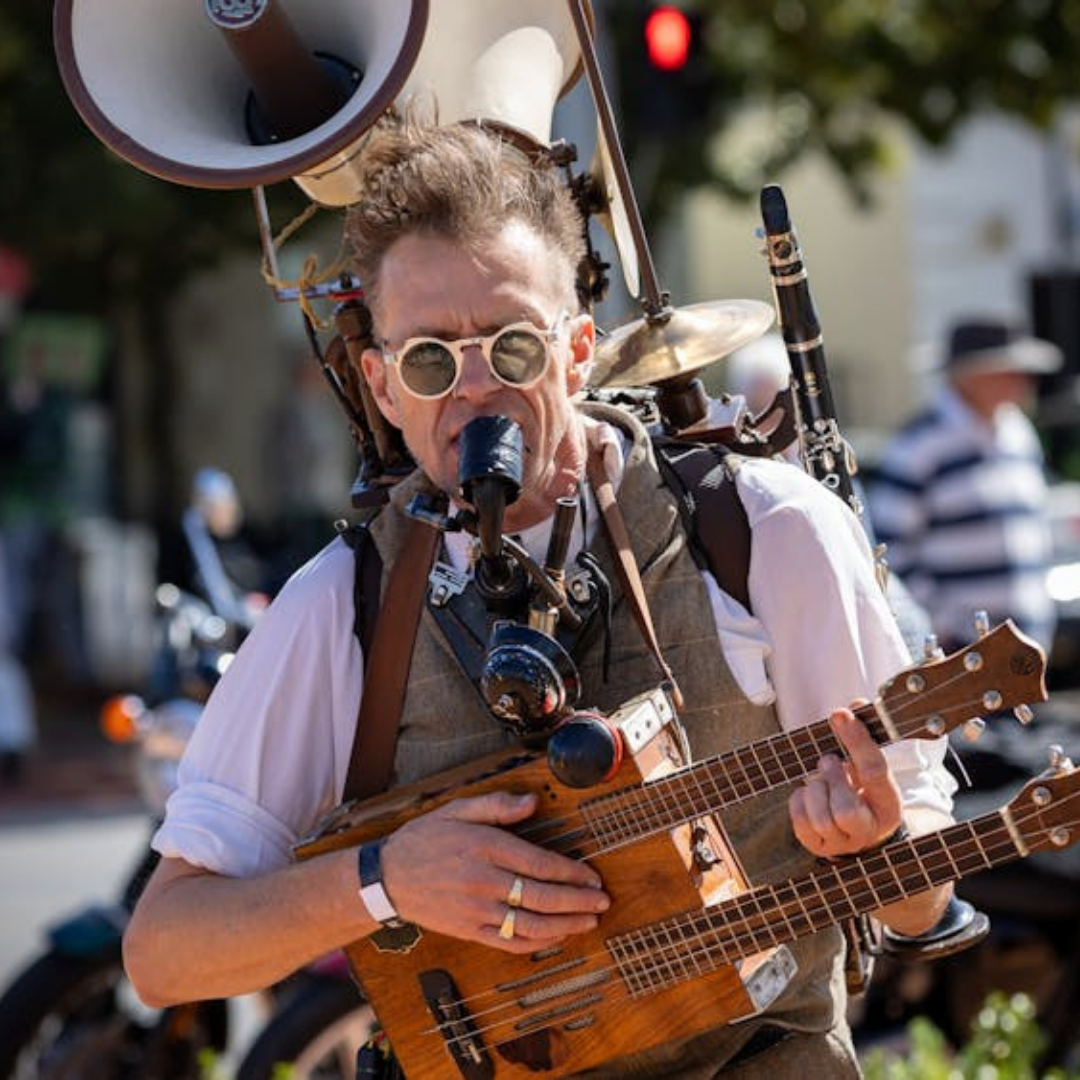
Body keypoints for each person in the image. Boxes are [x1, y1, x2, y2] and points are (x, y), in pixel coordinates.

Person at [123, 117, 957, 1076]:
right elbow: (164, 951)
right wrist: (384, 880)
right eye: (429, 359)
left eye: (511, 347)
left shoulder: (764, 531)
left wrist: (882, 839)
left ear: (577, 351)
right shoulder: (342, 607)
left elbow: (918, 902)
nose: (472, 389)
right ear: (381, 386)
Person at [868, 317, 1062, 655]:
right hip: (962, 652)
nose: (1023, 383)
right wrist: (942, 625)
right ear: (969, 376)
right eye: (1008, 371)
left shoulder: (1018, 433)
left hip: (1028, 645)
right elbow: (889, 551)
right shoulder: (918, 444)